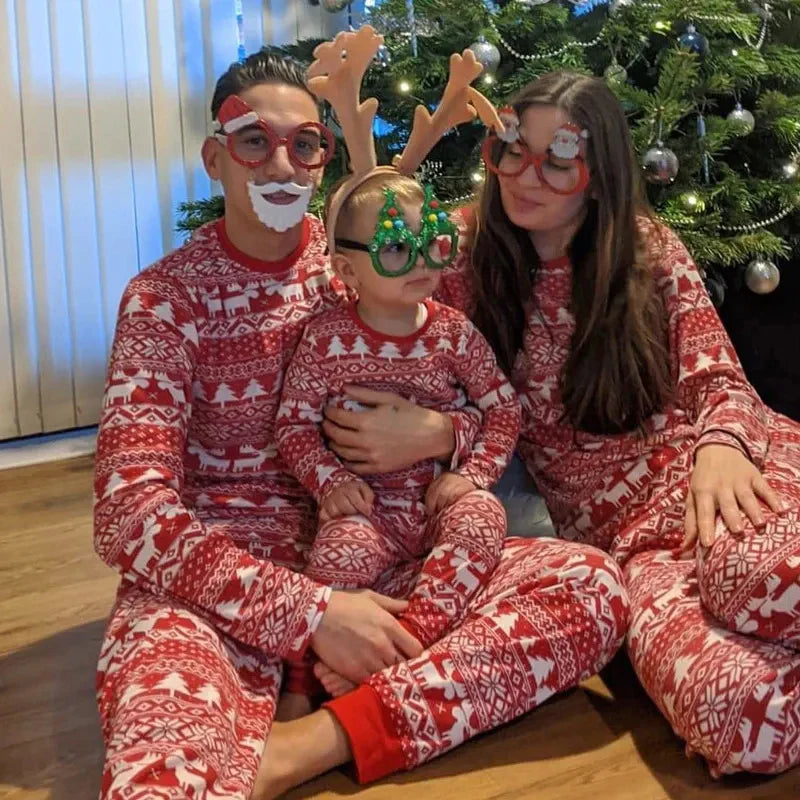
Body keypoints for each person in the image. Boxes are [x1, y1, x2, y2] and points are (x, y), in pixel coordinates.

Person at [92, 41, 629, 800]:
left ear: (322, 160)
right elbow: (127, 514)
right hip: (218, 589)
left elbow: (488, 397)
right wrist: (308, 614)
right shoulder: (163, 301)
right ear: (216, 160)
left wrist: (445, 438)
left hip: (389, 552)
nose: (281, 165)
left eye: (304, 144)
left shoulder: (381, 253)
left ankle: (314, 741)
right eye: (254, 141)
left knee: (593, 587)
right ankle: (345, 696)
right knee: (160, 780)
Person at [437, 69, 800, 778]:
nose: (524, 174)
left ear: (599, 177)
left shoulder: (648, 249)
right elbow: (362, 270)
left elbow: (721, 380)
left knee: (753, 579)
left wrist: (721, 449)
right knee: (741, 722)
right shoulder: (463, 258)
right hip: (635, 552)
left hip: (730, 479)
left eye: (559, 159)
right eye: (511, 148)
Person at [275, 169, 521, 707]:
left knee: (485, 517)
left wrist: (471, 474)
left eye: (432, 242)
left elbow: (504, 410)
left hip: (437, 503)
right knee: (339, 552)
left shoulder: (454, 332)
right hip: (368, 511)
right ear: (346, 269)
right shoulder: (325, 339)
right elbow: (292, 425)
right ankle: (302, 682)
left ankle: (413, 643)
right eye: (394, 248)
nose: (423, 262)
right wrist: (330, 481)